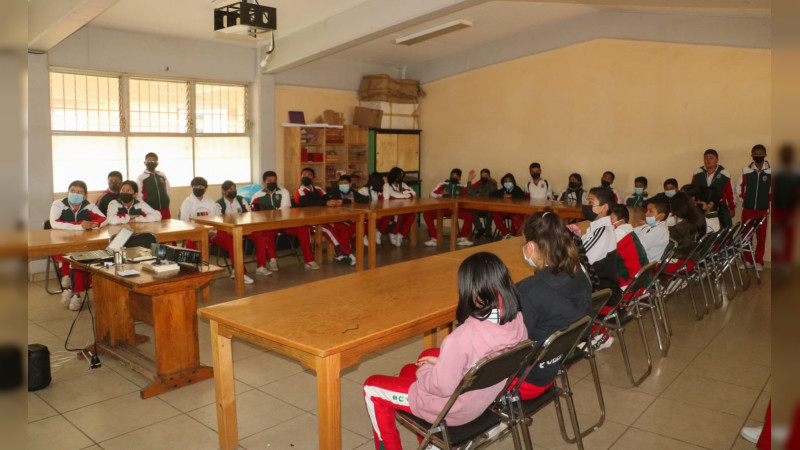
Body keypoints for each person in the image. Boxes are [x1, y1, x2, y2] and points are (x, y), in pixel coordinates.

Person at [362, 252, 526, 450]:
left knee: (372, 387)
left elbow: (440, 387)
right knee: (411, 367)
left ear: (473, 289)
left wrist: (423, 373)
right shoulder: (517, 320)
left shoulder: (462, 337)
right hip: (481, 402)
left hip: (452, 410)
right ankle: (434, 446)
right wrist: (439, 364)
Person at [516, 211, 592, 398]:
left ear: (532, 246)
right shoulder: (580, 274)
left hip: (525, 381)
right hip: (554, 366)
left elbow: (507, 338)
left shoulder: (529, 290)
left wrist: (486, 313)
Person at [49, 180, 107, 310]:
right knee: (75, 258)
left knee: (79, 257)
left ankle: (71, 289)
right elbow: (54, 223)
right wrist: (79, 226)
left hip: (81, 243)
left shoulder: (89, 205)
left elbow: (104, 219)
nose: (75, 194)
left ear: (85, 195)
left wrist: (95, 225)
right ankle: (75, 293)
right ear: (67, 193)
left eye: (80, 192)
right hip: (61, 243)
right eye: (73, 191)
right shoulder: (58, 204)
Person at [251, 170, 319, 271]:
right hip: (269, 226)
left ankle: (309, 260)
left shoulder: (284, 192)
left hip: (285, 224)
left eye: (274, 180)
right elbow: (253, 212)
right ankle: (273, 260)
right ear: (263, 183)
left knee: (303, 228)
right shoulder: (257, 195)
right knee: (267, 231)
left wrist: (268, 214)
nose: (272, 182)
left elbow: (284, 211)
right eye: (269, 181)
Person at [215, 180, 272, 277]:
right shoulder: (218, 204)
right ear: (224, 191)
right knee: (233, 242)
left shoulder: (241, 200)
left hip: (244, 229)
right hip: (229, 231)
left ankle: (261, 266)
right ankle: (236, 269)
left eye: (234, 189)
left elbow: (249, 214)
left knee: (261, 238)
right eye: (230, 190)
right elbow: (220, 221)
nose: (233, 191)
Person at [735, 144, 771, 269]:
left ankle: (759, 261)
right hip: (748, 210)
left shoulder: (771, 171)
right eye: (755, 153)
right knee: (746, 235)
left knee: (761, 237)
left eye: (761, 153)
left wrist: (768, 204)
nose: (758, 155)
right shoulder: (746, 170)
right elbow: (738, 186)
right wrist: (744, 199)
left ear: (765, 155)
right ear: (752, 155)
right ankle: (748, 260)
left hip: (762, 210)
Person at [325, 174, 370, 266]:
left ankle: (347, 248)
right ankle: (345, 251)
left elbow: (365, 199)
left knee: (363, 225)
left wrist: (354, 199)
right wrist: (348, 201)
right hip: (338, 219)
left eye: (345, 183)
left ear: (350, 184)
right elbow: (336, 201)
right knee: (344, 230)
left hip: (351, 218)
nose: (343, 185)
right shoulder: (335, 191)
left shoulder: (352, 191)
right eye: (341, 183)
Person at [424, 168, 474, 247]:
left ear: (460, 178)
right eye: (452, 176)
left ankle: (461, 238)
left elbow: (471, 194)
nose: (454, 177)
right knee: (426, 214)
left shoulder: (462, 187)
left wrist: (469, 181)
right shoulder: (442, 184)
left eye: (456, 176)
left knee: (470, 214)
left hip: (456, 209)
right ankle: (435, 238)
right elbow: (431, 195)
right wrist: (440, 193)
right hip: (443, 208)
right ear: (450, 176)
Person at [691, 148, 735, 228]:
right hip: (702, 207)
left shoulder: (725, 174)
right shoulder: (697, 173)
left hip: (720, 207)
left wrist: (732, 207)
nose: (708, 160)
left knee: (724, 229)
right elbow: (693, 190)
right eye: (706, 158)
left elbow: (730, 192)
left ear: (717, 160)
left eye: (711, 158)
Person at [609, 204, 649, 287]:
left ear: (622, 221)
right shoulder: (628, 231)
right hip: (640, 278)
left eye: (611, 219)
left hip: (631, 283)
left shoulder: (620, 233)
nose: (608, 222)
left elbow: (603, 253)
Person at [381, 167, 417, 247]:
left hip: (403, 208)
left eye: (402, 175)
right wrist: (405, 195)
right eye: (400, 175)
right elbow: (394, 195)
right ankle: (393, 233)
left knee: (412, 215)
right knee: (399, 215)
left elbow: (413, 193)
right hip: (391, 211)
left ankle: (400, 235)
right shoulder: (388, 186)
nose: (401, 177)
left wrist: (402, 192)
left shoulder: (402, 185)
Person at [667, 191, 706, 261]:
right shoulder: (697, 217)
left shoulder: (683, 227)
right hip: (692, 256)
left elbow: (665, 234)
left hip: (681, 259)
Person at [632, 199, 670, 263]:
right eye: (647, 210)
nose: (646, 214)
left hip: (644, 265)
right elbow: (630, 232)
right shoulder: (650, 226)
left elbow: (637, 247)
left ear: (661, 216)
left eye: (650, 211)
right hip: (639, 259)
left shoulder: (659, 230)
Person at [136, 152, 171, 219]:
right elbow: (138, 196)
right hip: (150, 212)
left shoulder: (162, 175)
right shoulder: (141, 178)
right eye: (149, 161)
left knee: (166, 228)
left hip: (164, 210)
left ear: (157, 163)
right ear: (145, 162)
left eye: (153, 161)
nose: (151, 162)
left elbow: (168, 191)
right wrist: (145, 209)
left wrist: (166, 203)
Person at [489, 173, 525, 239]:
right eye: (505, 181)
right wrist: (502, 196)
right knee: (494, 213)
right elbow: (491, 194)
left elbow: (523, 196)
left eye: (509, 181)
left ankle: (513, 234)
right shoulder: (503, 190)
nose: (507, 183)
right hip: (505, 210)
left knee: (517, 215)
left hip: (514, 211)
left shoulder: (517, 189)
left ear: (513, 182)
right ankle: (505, 233)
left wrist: (512, 196)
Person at [465, 168, 497, 239]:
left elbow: (491, 193)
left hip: (488, 207)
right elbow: (470, 193)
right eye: (482, 175)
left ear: (489, 176)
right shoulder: (479, 184)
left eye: (486, 175)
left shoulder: (493, 184)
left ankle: (488, 231)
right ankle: (480, 229)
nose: (484, 177)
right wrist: (469, 181)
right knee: (471, 211)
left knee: (490, 211)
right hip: (479, 207)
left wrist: (480, 195)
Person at [358, 172, 385, 246]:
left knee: (386, 216)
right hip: (365, 215)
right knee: (374, 218)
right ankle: (363, 235)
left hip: (376, 213)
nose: (383, 183)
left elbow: (386, 198)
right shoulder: (363, 191)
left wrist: (386, 185)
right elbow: (359, 206)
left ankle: (377, 233)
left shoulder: (379, 190)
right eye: (382, 181)